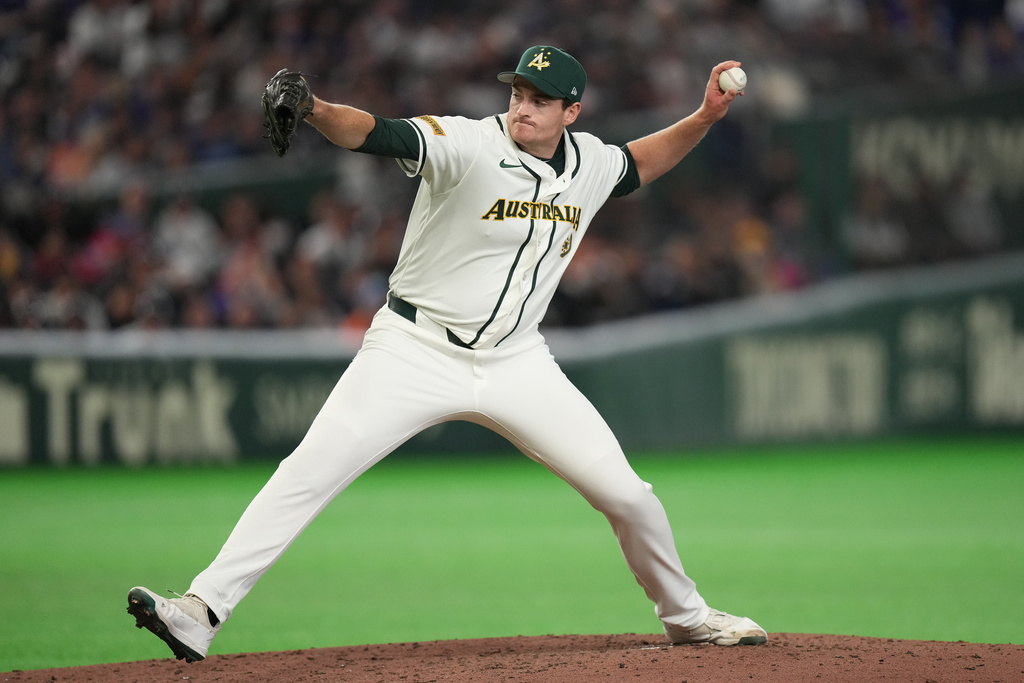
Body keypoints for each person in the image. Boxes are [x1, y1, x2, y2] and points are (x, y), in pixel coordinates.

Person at [127, 45, 767, 662]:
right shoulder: (466, 143)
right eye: (517, 93)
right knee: (308, 471)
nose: (523, 108)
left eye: (540, 100)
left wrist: (706, 116)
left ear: (572, 112)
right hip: (413, 346)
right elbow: (378, 133)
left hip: (517, 362)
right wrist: (316, 107)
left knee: (629, 496)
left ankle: (686, 618)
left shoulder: (591, 164)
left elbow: (639, 164)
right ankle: (200, 610)